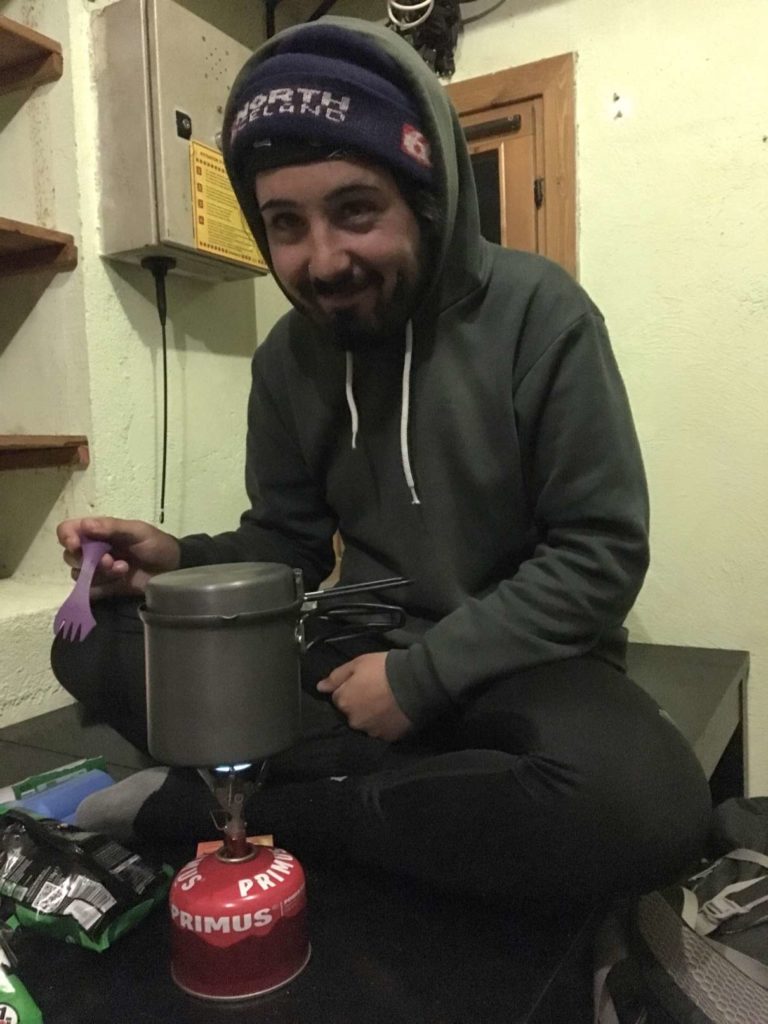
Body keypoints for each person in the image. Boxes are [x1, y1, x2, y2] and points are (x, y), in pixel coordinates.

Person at [52, 17, 710, 909]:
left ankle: (228, 811)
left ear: (426, 196)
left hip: (518, 664)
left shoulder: (542, 316)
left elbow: (599, 558)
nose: (323, 262)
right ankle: (414, 793)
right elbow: (282, 541)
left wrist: (420, 680)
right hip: (349, 657)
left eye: (355, 211)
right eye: (286, 225)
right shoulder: (288, 358)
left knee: (646, 807)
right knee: (89, 637)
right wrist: (176, 561)